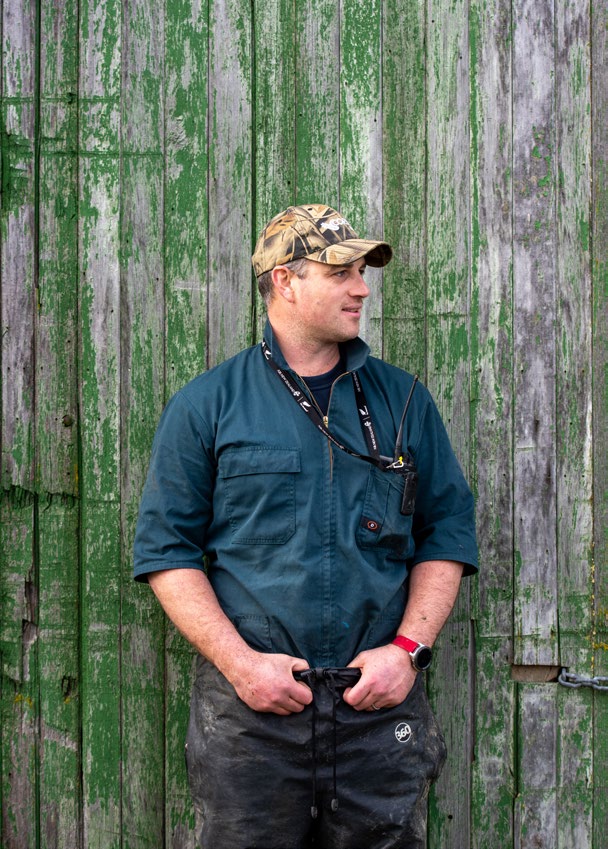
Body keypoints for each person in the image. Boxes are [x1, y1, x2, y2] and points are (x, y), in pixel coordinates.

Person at [133, 203, 478, 849]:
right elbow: (165, 550)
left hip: (377, 711)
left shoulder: (403, 400)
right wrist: (240, 665)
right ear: (285, 281)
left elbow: (449, 532)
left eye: (363, 271)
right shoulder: (208, 404)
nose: (362, 287)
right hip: (252, 717)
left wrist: (406, 653)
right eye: (342, 270)